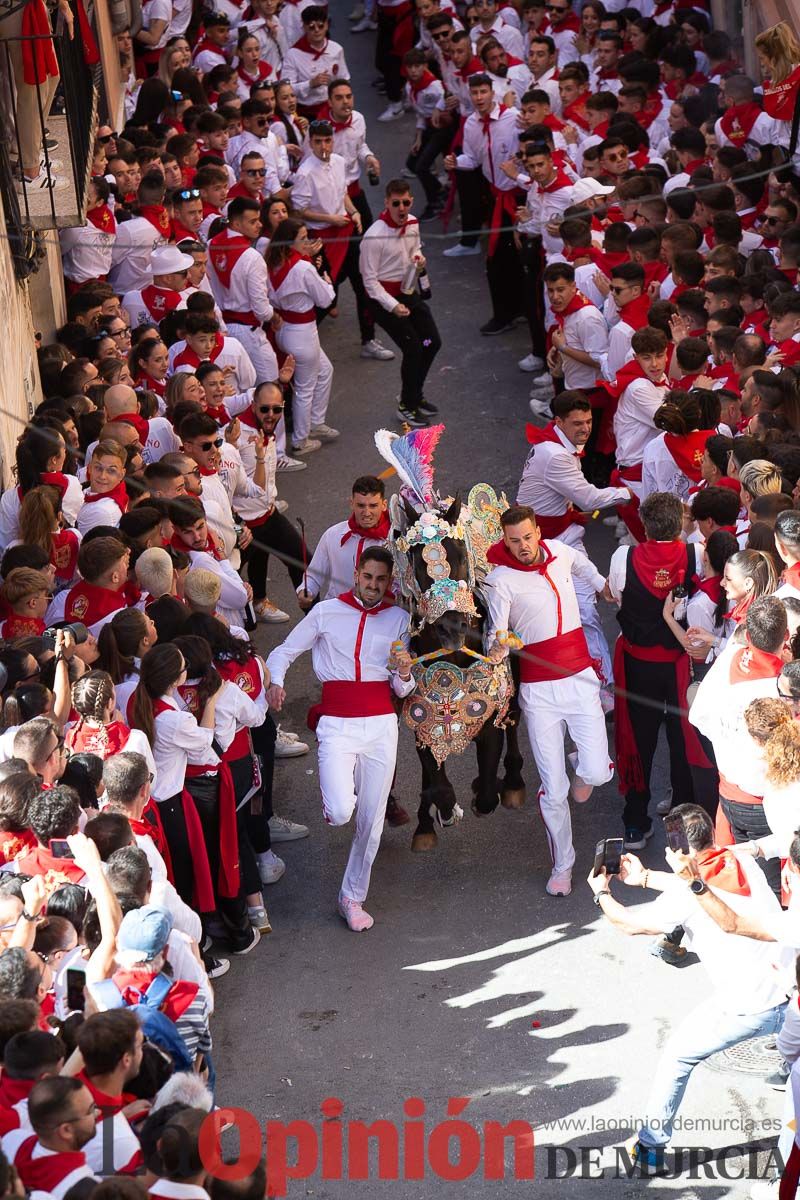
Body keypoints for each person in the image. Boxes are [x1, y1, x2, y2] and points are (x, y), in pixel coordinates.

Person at [586, 803, 791, 1173]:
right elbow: (697, 882)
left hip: (747, 1006)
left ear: (676, 849)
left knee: (678, 1057)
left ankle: (649, 1149)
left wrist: (601, 893)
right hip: (789, 995)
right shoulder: (739, 860)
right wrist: (645, 878)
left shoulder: (684, 898)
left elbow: (631, 924)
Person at [266, 548, 415, 930]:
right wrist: (276, 682)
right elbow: (283, 652)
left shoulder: (399, 619)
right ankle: (341, 805)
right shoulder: (325, 612)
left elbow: (403, 688)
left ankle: (352, 897)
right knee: (339, 812)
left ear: (389, 581)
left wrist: (404, 673)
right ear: (356, 573)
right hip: (337, 723)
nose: (373, 585)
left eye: (381, 580)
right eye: (368, 577)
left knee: (372, 820)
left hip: (381, 725)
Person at [484, 505, 614, 896]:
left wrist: (602, 584)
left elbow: (584, 566)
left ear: (538, 532)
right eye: (514, 541)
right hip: (539, 692)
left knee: (598, 772)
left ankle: (582, 767)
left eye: (527, 537)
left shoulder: (560, 551)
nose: (523, 546)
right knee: (554, 790)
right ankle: (563, 865)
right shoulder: (499, 580)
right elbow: (496, 632)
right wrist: (497, 648)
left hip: (580, 680)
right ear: (505, 541)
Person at [607, 492, 711, 849]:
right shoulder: (696, 554)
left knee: (640, 741)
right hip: (682, 665)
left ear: (645, 526)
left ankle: (635, 822)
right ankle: (683, 827)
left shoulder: (624, 557)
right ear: (680, 525)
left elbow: (617, 597)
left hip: (639, 665)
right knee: (682, 741)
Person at [518, 392, 630, 690]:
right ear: (559, 422)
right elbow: (589, 498)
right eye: (578, 423)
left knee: (584, 611)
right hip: (546, 545)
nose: (586, 428)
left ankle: (602, 683)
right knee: (578, 613)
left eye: (589, 421)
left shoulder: (555, 444)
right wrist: (629, 493)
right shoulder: (555, 456)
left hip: (559, 536)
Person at [444, 74, 525, 336]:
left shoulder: (513, 118)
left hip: (520, 195)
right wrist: (456, 162)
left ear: (493, 93)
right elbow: (472, 159)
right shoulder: (471, 124)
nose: (479, 98)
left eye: (483, 92)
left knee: (513, 257)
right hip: (496, 197)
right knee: (498, 258)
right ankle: (505, 313)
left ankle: (516, 310)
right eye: (474, 93)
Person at [359, 178, 442, 427]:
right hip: (383, 300)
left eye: (406, 202)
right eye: (396, 203)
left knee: (431, 341)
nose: (402, 208)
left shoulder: (413, 223)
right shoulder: (374, 236)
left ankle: (414, 393)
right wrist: (392, 306)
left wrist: (419, 259)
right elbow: (369, 282)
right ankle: (406, 406)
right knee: (413, 347)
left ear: (411, 201)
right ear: (387, 203)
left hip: (407, 291)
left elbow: (414, 250)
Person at [266, 218, 337, 454]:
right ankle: (300, 440)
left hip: (285, 330)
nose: (308, 242)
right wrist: (325, 278)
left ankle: (315, 422)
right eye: (303, 238)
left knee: (325, 370)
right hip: (303, 333)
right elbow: (326, 299)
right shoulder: (303, 268)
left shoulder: (273, 262)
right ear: (289, 242)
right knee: (305, 388)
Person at [298, 475, 391, 609]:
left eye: (373, 506)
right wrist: (306, 591)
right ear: (351, 503)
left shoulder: (396, 541)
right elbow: (314, 574)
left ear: (384, 505)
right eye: (361, 505)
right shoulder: (332, 535)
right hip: (337, 611)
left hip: (379, 614)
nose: (367, 513)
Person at [2, 1076, 99, 1199]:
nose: (98, 1112)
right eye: (91, 1110)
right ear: (66, 1130)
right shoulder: (86, 1188)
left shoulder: (12, 1140)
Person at [75, 1011, 145, 1174]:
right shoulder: (122, 1143)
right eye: (141, 1045)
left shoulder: (60, 1088)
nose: (143, 1051)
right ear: (126, 1059)